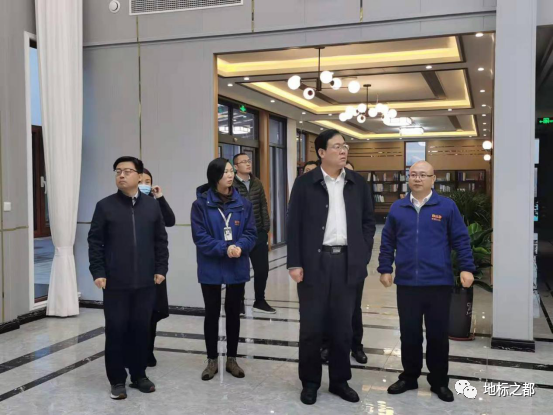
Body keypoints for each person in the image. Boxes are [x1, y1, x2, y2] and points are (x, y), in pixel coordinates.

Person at [287, 130, 376, 405]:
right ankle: (310, 382)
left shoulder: (358, 183)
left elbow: (368, 222)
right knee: (311, 327)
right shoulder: (305, 183)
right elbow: (293, 225)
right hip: (314, 262)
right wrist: (294, 262)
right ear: (321, 153)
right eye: (336, 146)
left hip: (347, 262)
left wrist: (362, 253)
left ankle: (339, 381)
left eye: (344, 146)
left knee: (343, 327)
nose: (343, 150)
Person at [378, 160, 475, 403]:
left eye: (423, 175)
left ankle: (439, 381)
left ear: (433, 179)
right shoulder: (398, 207)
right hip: (407, 284)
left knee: (437, 335)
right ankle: (409, 377)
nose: (418, 179)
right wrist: (385, 268)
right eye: (413, 174)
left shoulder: (447, 206)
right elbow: (387, 241)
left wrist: (466, 268)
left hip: (438, 283)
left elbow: (461, 239)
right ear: (408, 178)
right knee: (409, 334)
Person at [88, 156, 169, 400]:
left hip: (146, 281)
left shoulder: (151, 206)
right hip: (115, 282)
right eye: (118, 171)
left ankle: (139, 375)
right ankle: (117, 380)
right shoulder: (105, 206)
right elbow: (95, 242)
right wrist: (98, 271)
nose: (121, 175)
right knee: (116, 330)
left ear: (139, 176)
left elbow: (160, 240)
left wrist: (161, 268)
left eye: (127, 171)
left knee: (141, 329)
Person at [191, 157, 257, 381]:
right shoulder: (200, 205)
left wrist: (239, 246)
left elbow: (251, 233)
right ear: (214, 176)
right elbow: (200, 237)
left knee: (233, 313)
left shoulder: (243, 204)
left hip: (236, 263)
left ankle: (232, 359)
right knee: (211, 313)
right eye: (225, 172)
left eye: (231, 171)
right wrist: (224, 248)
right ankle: (211, 360)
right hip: (211, 264)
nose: (230, 175)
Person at [320, 159, 368, 365]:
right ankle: (326, 345)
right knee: (327, 307)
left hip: (353, 258)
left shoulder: (359, 189)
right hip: (327, 257)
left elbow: (367, 222)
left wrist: (363, 251)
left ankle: (356, 346)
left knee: (354, 307)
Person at [139, 168, 176, 367]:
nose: (144, 185)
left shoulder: (154, 204)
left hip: (154, 266)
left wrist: (160, 197)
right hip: (133, 266)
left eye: (148, 181)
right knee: (134, 313)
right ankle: (132, 351)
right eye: (141, 181)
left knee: (153, 311)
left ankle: (148, 351)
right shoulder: (124, 204)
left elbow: (170, 220)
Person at [233, 153, 275, 314]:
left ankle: (260, 300)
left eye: (248, 160)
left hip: (258, 232)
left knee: (262, 269)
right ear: (236, 166)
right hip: (239, 235)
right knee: (240, 271)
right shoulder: (232, 184)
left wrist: (265, 228)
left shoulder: (257, 183)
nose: (248, 163)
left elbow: (263, 205)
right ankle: (239, 302)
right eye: (243, 162)